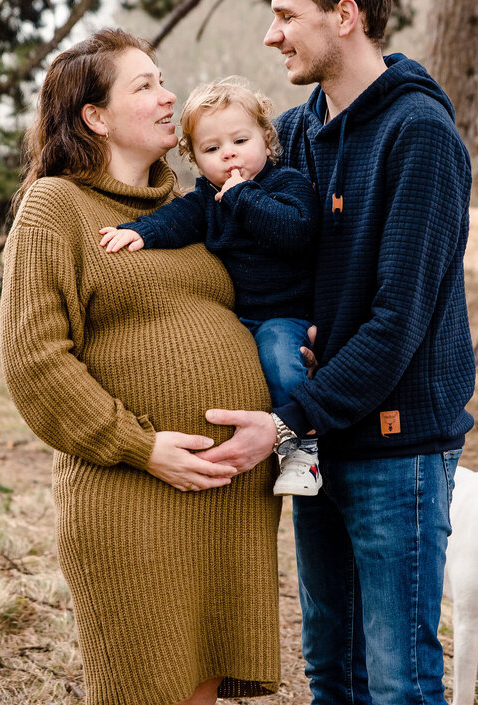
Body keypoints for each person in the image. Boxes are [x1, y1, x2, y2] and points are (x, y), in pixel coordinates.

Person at [196, 0, 475, 705]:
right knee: (333, 676)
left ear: (344, 15)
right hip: (319, 450)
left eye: (287, 14)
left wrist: (285, 422)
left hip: (396, 451)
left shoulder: (419, 135)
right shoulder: (294, 135)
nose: (270, 32)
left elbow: (397, 320)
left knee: (397, 685)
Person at [0, 29, 281, 705]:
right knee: (142, 687)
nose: (168, 95)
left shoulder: (189, 207)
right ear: (96, 117)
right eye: (145, 85)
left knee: (198, 690)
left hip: (228, 499)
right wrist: (141, 445)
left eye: (163, 80)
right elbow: (34, 361)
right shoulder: (56, 206)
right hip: (133, 495)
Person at [98, 78, 322, 496]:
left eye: (240, 140)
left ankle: (302, 451)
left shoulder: (286, 184)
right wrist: (140, 232)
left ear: (266, 139)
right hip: (240, 317)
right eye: (212, 149)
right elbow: (177, 219)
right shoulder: (206, 197)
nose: (229, 154)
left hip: (285, 315)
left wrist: (242, 196)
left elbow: (295, 232)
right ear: (196, 159)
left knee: (278, 356)